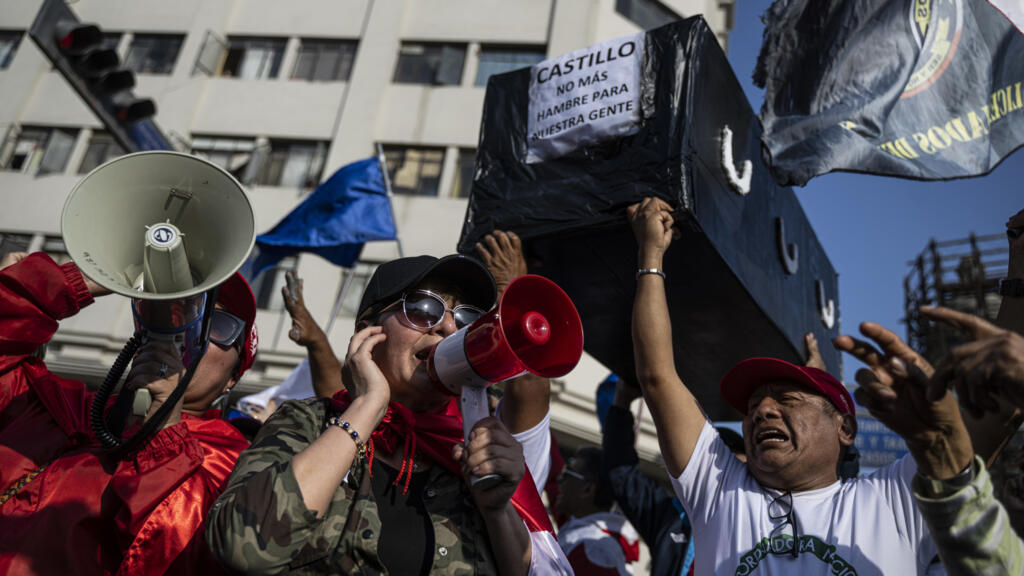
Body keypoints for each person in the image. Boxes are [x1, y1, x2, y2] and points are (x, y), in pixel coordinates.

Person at [628, 196, 960, 575]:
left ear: (845, 428)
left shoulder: (895, 500)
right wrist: (650, 255)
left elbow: (999, 407)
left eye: (787, 400)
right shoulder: (718, 489)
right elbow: (657, 377)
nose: (763, 411)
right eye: (753, 407)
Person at [206, 252, 570, 574]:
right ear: (368, 332)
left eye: (466, 319)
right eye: (424, 309)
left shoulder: (472, 456)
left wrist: (496, 509)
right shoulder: (308, 424)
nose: (447, 327)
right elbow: (243, 548)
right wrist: (367, 406)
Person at [0, 251, 258, 575]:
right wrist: (54, 286)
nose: (192, 328)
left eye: (217, 323)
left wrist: (164, 421)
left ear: (232, 379)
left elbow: (175, 550)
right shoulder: (64, 406)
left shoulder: (238, 461)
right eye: (184, 309)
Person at [555, 446, 640, 576]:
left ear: (587, 489)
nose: (559, 479)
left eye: (568, 473)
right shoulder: (582, 532)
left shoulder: (596, 548)